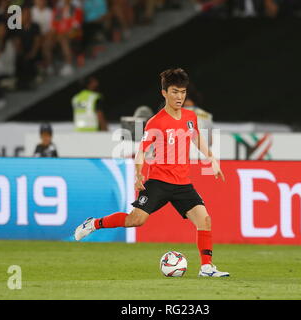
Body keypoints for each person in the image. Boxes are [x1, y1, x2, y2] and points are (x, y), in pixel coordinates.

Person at [74, 68, 230, 277]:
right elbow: (142, 152)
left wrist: (212, 159)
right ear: (164, 92)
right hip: (159, 182)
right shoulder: (156, 122)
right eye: (175, 92)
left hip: (183, 184)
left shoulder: (190, 116)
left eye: (183, 92)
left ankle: (206, 267)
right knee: (135, 220)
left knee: (205, 220)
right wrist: (139, 174)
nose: (179, 97)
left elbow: (196, 138)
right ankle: (94, 223)